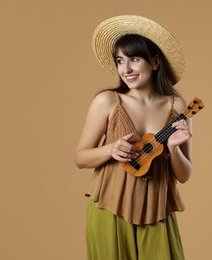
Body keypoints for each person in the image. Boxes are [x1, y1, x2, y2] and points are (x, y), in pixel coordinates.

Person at [74, 15, 192, 260]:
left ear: (155, 62)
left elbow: (184, 175)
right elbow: (80, 157)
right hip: (110, 208)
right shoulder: (107, 101)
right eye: (120, 61)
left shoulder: (177, 107)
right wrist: (110, 150)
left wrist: (174, 150)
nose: (125, 69)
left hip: (157, 210)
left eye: (134, 59)